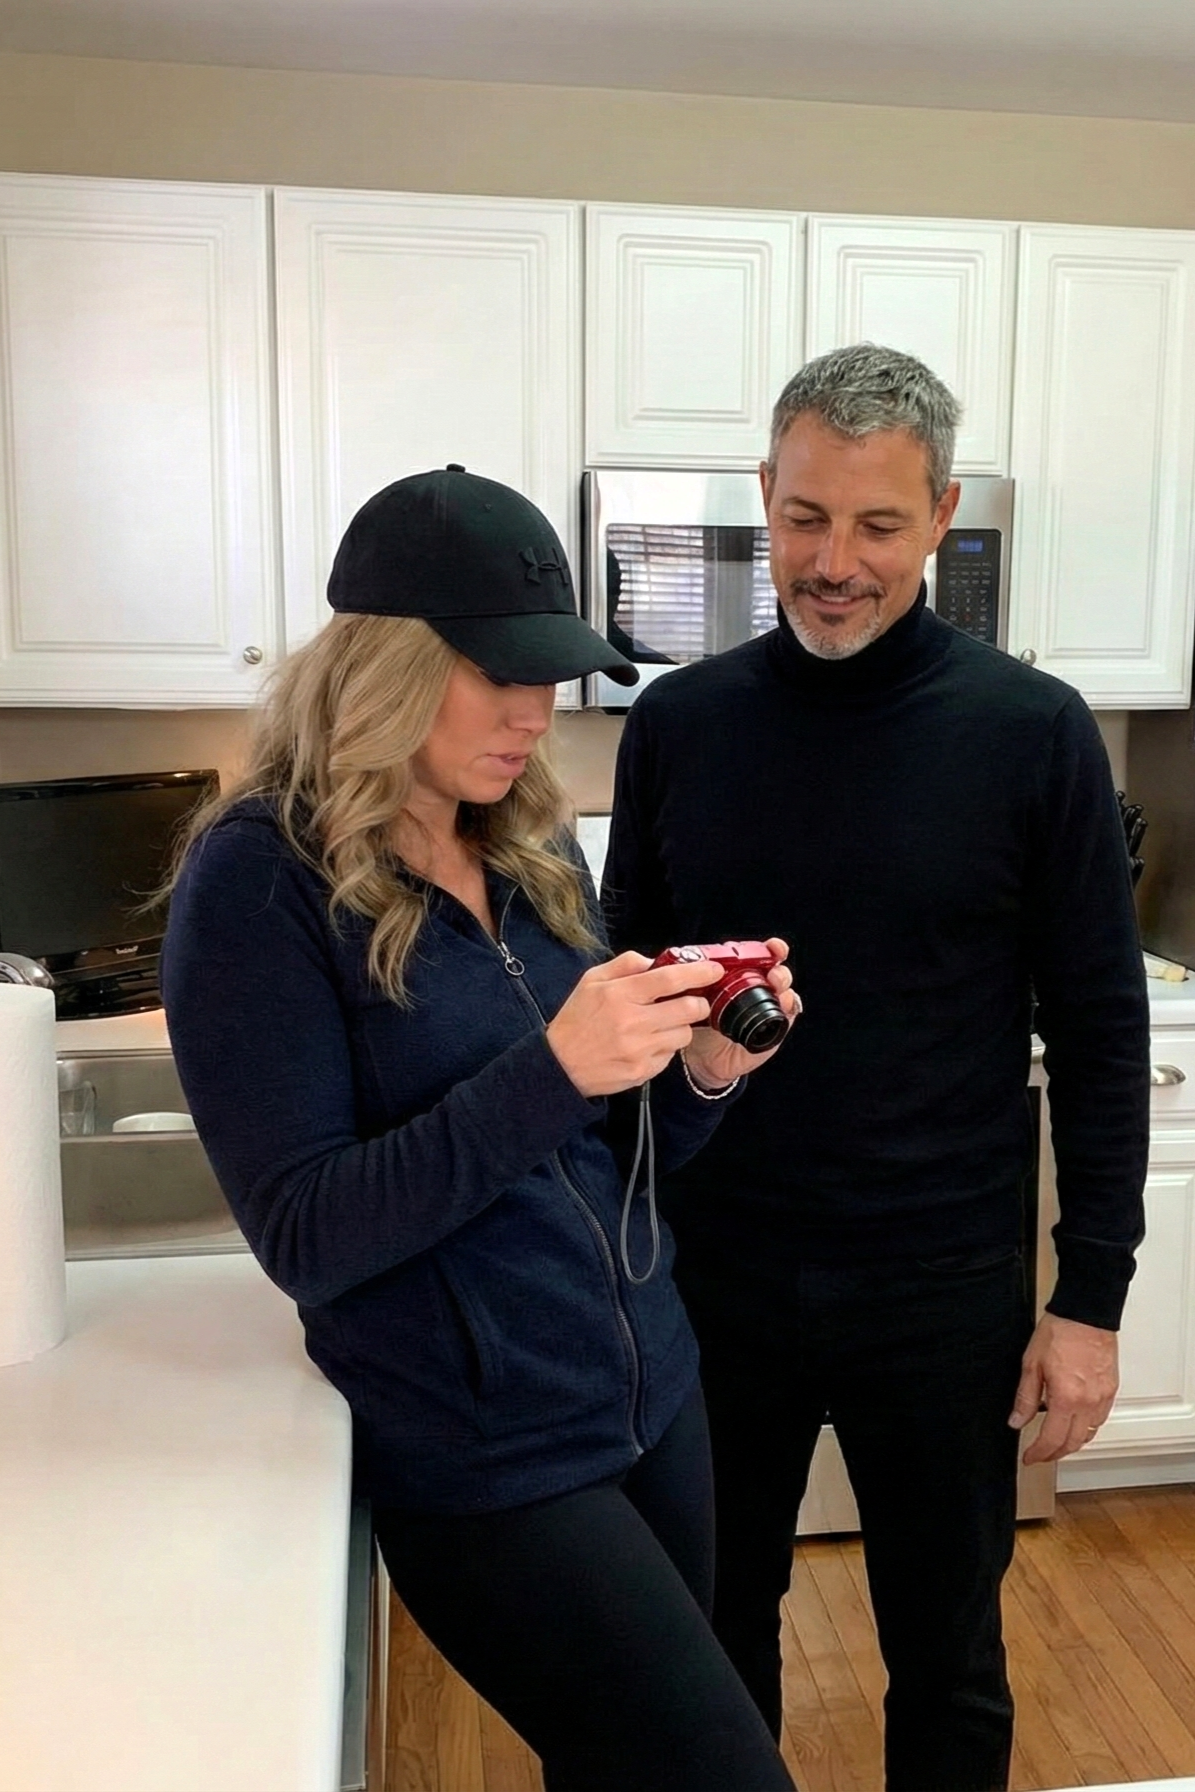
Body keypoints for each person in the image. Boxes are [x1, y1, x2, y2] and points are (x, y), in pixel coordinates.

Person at [160, 465, 800, 1792]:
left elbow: (611, 1168)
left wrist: (697, 1075)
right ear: (383, 666)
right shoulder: (257, 882)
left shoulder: (532, 846)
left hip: (652, 1397)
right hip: (488, 1460)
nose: (534, 714)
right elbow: (306, 1235)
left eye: (549, 677)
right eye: (496, 676)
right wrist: (557, 1072)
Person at [602, 344, 1151, 1792]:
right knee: (710, 1639)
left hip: (943, 1288)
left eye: (876, 525)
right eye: (802, 518)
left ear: (942, 515)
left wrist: (1084, 1300)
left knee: (945, 1650)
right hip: (716, 1279)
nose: (831, 562)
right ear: (763, 501)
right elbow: (623, 1010)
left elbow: (1098, 1029)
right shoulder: (677, 727)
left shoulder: (1031, 736)